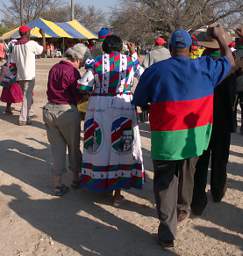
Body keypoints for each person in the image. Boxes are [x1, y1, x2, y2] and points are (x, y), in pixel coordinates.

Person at [133, 26, 234, 248]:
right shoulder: (206, 67)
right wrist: (221, 39)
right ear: (191, 48)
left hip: (166, 139)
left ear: (170, 48)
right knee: (188, 174)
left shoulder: (155, 71)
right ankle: (183, 208)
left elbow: (139, 101)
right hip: (194, 138)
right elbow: (230, 60)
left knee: (165, 182)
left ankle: (167, 231)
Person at [78, 35, 144, 206]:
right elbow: (144, 77)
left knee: (100, 144)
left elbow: (84, 85)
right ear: (121, 47)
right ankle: (117, 193)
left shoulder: (96, 62)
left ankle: (100, 183)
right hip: (124, 104)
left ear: (105, 47)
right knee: (122, 144)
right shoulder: (130, 61)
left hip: (99, 107)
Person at [191, 30, 237, 215]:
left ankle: (198, 199)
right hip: (223, 118)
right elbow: (232, 95)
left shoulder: (199, 63)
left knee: (201, 160)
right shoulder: (230, 65)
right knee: (220, 158)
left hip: (202, 118)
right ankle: (217, 191)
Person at [43, 43, 89, 196]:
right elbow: (77, 95)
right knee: (73, 147)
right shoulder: (72, 72)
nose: (82, 64)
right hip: (67, 111)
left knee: (57, 150)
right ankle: (76, 179)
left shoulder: (55, 68)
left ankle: (57, 185)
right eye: (82, 61)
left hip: (49, 110)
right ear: (78, 58)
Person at [12, 25, 46, 126]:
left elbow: (13, 62)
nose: (30, 33)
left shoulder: (16, 46)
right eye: (29, 32)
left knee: (28, 96)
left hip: (20, 75)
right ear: (26, 33)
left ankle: (28, 114)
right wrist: (43, 36)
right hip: (29, 75)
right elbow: (43, 50)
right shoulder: (31, 44)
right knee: (27, 98)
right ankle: (23, 119)